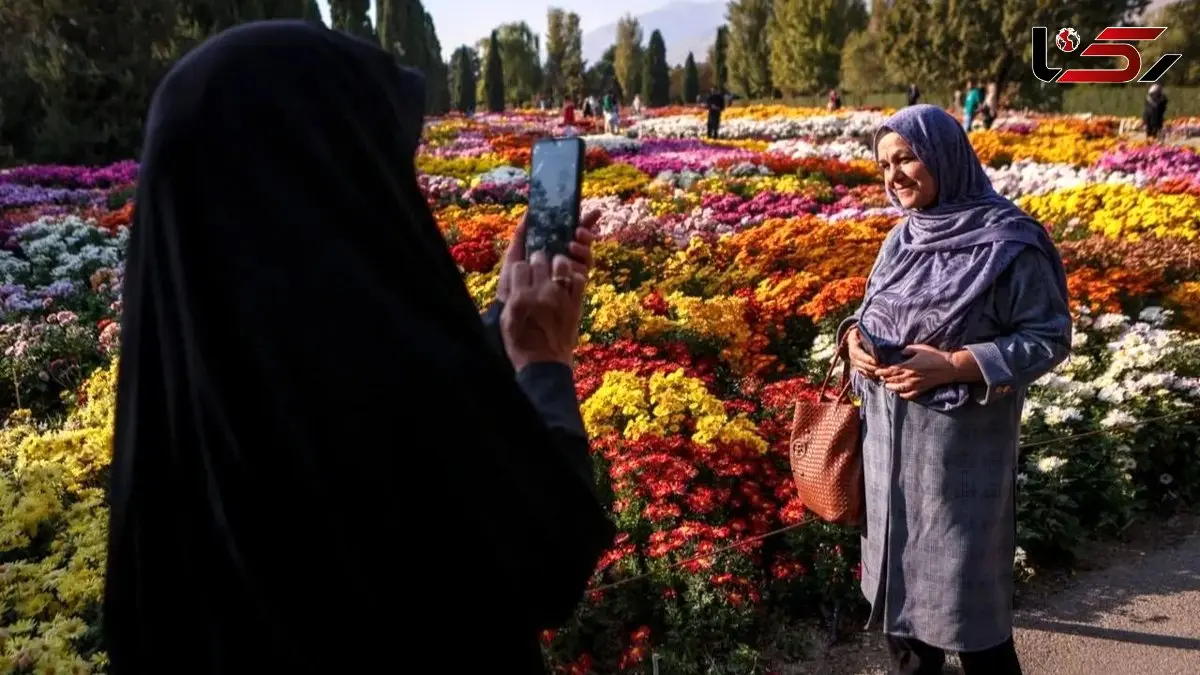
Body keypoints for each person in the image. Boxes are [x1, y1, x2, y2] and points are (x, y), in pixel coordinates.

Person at [103, 20, 615, 674]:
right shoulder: (376, 416)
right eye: (381, 162)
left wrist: (500, 324)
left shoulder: (180, 402)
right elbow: (545, 559)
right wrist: (543, 362)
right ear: (323, 177)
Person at [839, 104, 1071, 675]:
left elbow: (1048, 336)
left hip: (959, 468)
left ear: (945, 156)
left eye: (908, 158)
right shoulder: (902, 239)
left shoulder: (1009, 241)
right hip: (887, 464)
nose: (894, 176)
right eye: (884, 164)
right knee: (907, 637)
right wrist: (852, 342)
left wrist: (954, 365)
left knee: (973, 626)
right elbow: (869, 313)